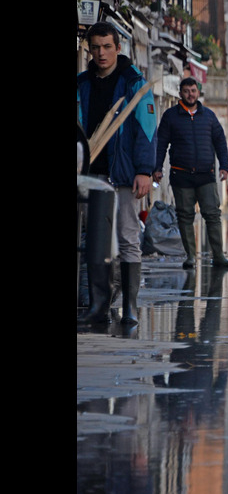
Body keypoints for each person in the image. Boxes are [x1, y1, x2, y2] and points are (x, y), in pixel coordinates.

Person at [77, 21, 157, 326]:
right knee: (96, 240)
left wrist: (144, 171)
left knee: (127, 236)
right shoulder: (81, 83)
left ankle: (130, 306)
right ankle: (98, 304)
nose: (101, 53)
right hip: (89, 172)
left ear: (118, 48)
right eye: (95, 47)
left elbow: (147, 131)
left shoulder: (133, 82)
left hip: (122, 173)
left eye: (107, 47)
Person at [153, 77, 228, 270]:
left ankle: (219, 256)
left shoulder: (209, 116)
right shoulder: (170, 116)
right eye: (187, 91)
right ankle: (190, 256)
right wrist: (156, 168)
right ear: (180, 93)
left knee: (212, 214)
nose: (190, 94)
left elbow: (220, 141)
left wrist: (224, 165)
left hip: (206, 174)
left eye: (193, 90)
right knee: (185, 215)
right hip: (181, 174)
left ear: (198, 92)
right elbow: (161, 144)